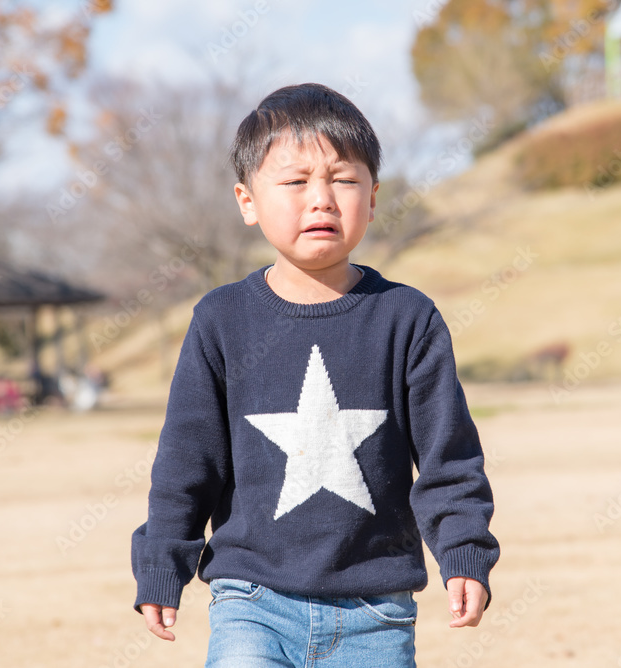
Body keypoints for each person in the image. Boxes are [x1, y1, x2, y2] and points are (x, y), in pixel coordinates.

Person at [131, 82, 499, 667]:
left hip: (376, 611)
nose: (321, 199)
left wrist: (464, 551)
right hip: (250, 600)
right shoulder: (221, 320)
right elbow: (186, 460)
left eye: (343, 180)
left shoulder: (407, 318)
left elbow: (448, 457)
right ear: (247, 201)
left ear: (373, 199)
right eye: (296, 181)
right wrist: (162, 564)